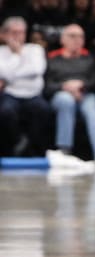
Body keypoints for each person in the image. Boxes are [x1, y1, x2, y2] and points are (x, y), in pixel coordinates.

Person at [45, 24, 95, 166]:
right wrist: (64, 87)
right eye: (72, 36)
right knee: (66, 101)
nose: (77, 40)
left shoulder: (89, 58)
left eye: (80, 37)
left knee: (92, 105)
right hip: (60, 94)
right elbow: (46, 86)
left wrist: (81, 86)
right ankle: (64, 150)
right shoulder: (52, 59)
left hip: (85, 94)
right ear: (62, 40)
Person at [0, 16, 53, 157]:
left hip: (33, 94)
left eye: (21, 32)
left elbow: (36, 70)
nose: (18, 36)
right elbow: (4, 73)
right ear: (5, 34)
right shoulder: (1, 51)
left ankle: (33, 149)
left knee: (44, 110)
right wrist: (17, 55)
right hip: (10, 94)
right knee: (5, 112)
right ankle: (17, 143)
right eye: (14, 32)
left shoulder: (35, 49)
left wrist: (12, 72)